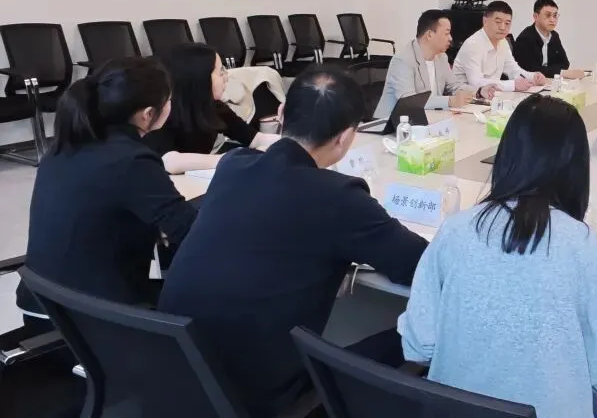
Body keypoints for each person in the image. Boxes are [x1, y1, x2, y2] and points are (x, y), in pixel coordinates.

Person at [158, 66, 428, 416]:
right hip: (258, 396)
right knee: (417, 333)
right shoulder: (339, 197)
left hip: (175, 372)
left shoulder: (234, 166)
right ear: (347, 137)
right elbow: (418, 265)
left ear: (282, 113)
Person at [398, 94, 597, 418]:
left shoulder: (455, 230)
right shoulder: (584, 246)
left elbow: (418, 346)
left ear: (506, 156)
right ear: (577, 168)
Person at [15, 58, 196, 330]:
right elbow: (190, 232)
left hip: (42, 302)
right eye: (169, 100)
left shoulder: (65, 145)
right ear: (148, 114)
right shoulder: (132, 160)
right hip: (89, 317)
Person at [144, 43, 279, 174]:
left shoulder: (214, 107)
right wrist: (231, 158)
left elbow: (255, 138)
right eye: (220, 72)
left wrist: (289, 140)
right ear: (200, 79)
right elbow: (170, 161)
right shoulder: (161, 112)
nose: (226, 77)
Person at [374, 10, 497, 119]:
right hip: (392, 126)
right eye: (446, 33)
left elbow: (454, 86)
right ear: (429, 35)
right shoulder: (403, 60)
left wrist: (479, 92)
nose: (450, 38)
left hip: (428, 119)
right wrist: (450, 101)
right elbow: (409, 101)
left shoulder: (441, 57)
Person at [452, 0, 547, 92]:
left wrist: (533, 76)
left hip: (491, 95)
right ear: (485, 21)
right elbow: (476, 83)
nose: (503, 27)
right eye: (498, 22)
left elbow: (513, 70)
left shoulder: (503, 42)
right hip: (465, 96)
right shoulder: (473, 44)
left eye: (507, 23)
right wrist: (513, 85)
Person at [512, 0, 585, 79]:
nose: (552, 20)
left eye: (555, 15)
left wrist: (550, 71)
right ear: (536, 16)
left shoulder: (554, 36)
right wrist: (561, 72)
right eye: (548, 15)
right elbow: (530, 70)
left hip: (550, 81)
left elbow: (565, 63)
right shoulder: (525, 38)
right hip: (528, 83)